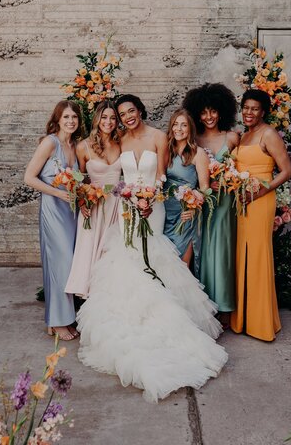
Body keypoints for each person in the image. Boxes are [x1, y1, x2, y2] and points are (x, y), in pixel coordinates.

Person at [77, 94, 228, 402]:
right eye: (122, 113)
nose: (127, 116)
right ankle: (130, 320)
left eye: (131, 111)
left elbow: (161, 176)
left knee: (154, 260)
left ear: (140, 110)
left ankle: (167, 322)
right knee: (125, 261)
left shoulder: (160, 136)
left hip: (152, 208)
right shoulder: (118, 139)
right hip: (124, 207)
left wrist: (149, 200)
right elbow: (113, 173)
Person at [230, 89, 291, 341]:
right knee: (242, 255)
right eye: (245, 107)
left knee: (257, 256)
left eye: (254, 108)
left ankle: (261, 322)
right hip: (240, 201)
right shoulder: (244, 135)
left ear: (263, 111)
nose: (249, 112)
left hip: (259, 201)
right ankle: (244, 318)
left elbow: (286, 171)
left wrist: (257, 193)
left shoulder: (268, 134)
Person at [24, 100, 82, 341]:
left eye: (74, 118)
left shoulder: (75, 145)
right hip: (53, 209)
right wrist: (58, 193)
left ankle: (61, 320)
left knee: (70, 266)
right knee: (61, 263)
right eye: (66, 117)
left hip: (71, 211)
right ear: (58, 119)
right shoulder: (50, 142)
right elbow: (29, 177)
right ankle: (57, 321)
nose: (70, 121)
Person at [183, 83, 239, 329]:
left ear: (222, 111)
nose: (208, 117)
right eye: (203, 112)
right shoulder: (193, 138)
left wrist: (229, 180)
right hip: (202, 202)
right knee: (201, 251)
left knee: (222, 252)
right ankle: (205, 306)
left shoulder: (232, 137)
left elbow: (243, 170)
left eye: (213, 111)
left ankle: (225, 306)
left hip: (225, 203)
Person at [65, 102, 121, 299]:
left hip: (117, 206)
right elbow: (79, 180)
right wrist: (83, 201)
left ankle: (111, 297)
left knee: (113, 253)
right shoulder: (83, 147)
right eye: (104, 117)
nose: (108, 122)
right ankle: (92, 300)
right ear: (97, 119)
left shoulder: (121, 142)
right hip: (95, 206)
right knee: (90, 254)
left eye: (113, 118)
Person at [163, 109, 210, 277]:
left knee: (181, 266)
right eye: (175, 124)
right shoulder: (166, 151)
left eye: (184, 125)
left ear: (190, 129)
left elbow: (205, 188)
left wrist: (193, 206)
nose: (179, 129)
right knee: (164, 264)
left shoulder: (198, 153)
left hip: (185, 215)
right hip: (164, 213)